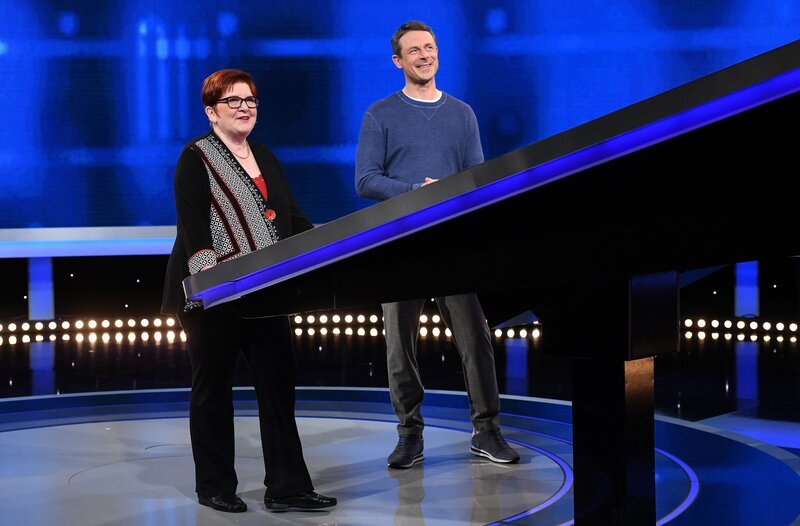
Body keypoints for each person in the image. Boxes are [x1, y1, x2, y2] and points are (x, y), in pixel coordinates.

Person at [161, 69, 336, 513]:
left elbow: (292, 220)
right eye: (233, 101)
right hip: (212, 298)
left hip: (267, 294)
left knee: (279, 389)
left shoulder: (265, 155)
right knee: (212, 391)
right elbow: (195, 231)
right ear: (211, 112)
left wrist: (330, 251)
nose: (244, 107)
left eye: (251, 100)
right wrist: (211, 290)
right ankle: (214, 486)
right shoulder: (195, 158)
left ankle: (288, 486)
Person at [355, 21, 520, 468]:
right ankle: (409, 434)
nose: (424, 55)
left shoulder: (462, 113)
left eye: (429, 47)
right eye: (414, 50)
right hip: (402, 244)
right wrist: (417, 190)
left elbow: (478, 177)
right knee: (399, 344)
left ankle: (487, 431)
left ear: (437, 53)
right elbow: (365, 180)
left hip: (451, 244)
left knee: (475, 338)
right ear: (398, 61)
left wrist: (455, 193)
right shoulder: (380, 114)